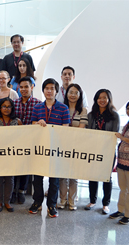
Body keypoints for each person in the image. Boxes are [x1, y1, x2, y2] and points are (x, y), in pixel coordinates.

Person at [30, 78, 70, 217]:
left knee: (54, 180)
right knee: (38, 178)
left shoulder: (63, 108)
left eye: (52, 88)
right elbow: (33, 127)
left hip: (56, 149)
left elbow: (66, 129)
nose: (49, 91)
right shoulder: (37, 108)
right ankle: (37, 202)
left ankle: (52, 205)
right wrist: (37, 123)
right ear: (43, 91)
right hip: (40, 149)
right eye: (47, 88)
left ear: (56, 91)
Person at [85, 89, 120, 214]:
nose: (102, 100)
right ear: (96, 99)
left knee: (106, 177)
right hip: (93, 150)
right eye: (99, 98)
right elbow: (87, 133)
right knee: (92, 175)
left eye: (104, 98)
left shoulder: (114, 115)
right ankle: (92, 201)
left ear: (109, 99)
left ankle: (106, 204)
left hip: (108, 151)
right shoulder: (91, 115)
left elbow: (115, 133)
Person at [57, 83, 88, 211]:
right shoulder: (61, 108)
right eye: (71, 92)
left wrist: (67, 130)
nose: (73, 95)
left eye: (76, 92)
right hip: (62, 145)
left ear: (80, 95)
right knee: (63, 174)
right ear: (66, 94)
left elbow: (81, 128)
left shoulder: (83, 110)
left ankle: (72, 200)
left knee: (74, 175)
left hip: (76, 145)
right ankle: (63, 200)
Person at [12, 76, 42, 204]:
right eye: (21, 87)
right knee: (15, 166)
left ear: (32, 87)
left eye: (26, 87)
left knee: (26, 167)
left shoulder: (38, 104)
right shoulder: (14, 103)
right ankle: (13, 191)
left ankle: (22, 191)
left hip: (31, 141)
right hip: (16, 140)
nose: (23, 89)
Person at [0, 98, 22, 212]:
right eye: (4, 106)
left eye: (9, 106)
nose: (6, 109)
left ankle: (7, 202)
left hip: (12, 155)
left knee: (10, 179)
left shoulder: (18, 121)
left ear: (12, 108)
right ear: (0, 108)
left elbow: (22, 138)